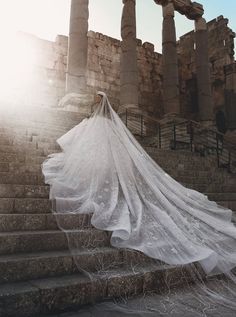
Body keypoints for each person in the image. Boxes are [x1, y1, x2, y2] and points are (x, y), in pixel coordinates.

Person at [42, 91, 236, 313]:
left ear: (100, 103)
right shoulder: (105, 127)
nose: (94, 102)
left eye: (96, 100)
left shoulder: (98, 126)